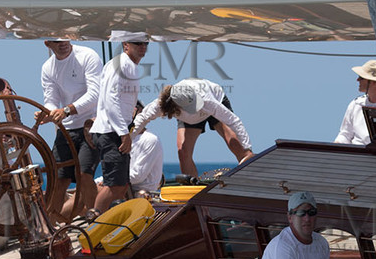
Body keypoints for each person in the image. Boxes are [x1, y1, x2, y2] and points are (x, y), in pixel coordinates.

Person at [34, 38, 102, 221]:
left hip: (92, 125)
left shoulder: (88, 56)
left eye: (65, 37)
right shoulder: (47, 68)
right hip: (67, 129)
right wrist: (48, 114)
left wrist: (65, 111)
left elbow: (95, 94)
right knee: (58, 179)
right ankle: (51, 227)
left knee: (84, 174)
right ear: (48, 44)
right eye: (56, 41)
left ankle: (97, 222)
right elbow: (51, 99)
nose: (62, 42)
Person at [130, 78, 252, 177]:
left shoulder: (207, 100)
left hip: (214, 102)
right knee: (183, 153)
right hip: (188, 119)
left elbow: (233, 121)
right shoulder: (160, 105)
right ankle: (193, 191)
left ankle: (252, 169)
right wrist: (127, 141)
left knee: (235, 143)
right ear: (176, 106)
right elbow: (141, 119)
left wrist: (247, 146)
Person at [90, 30, 150, 212]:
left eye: (145, 43)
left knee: (120, 185)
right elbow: (111, 99)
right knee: (115, 186)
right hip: (111, 133)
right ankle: (94, 224)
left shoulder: (124, 64)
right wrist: (124, 134)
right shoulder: (123, 64)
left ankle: (99, 223)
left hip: (110, 131)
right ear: (126, 45)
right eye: (137, 43)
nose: (142, 47)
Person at [335, 59, 376, 145]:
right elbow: (345, 135)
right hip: (358, 156)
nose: (357, 80)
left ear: (374, 82)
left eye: (361, 77)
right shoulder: (355, 105)